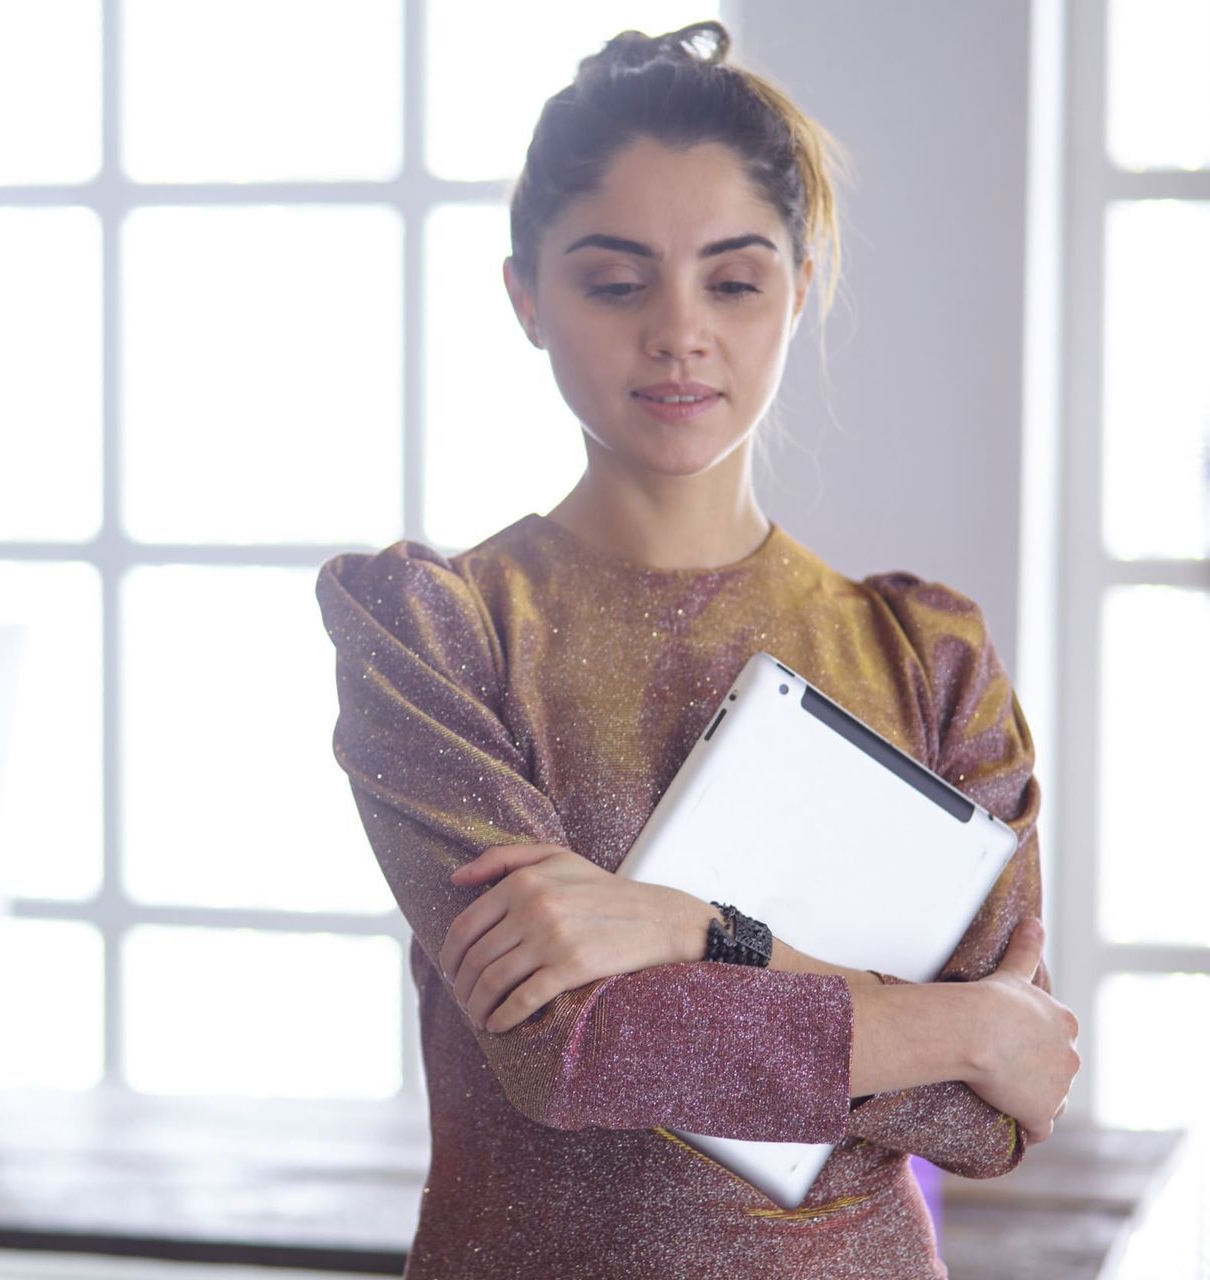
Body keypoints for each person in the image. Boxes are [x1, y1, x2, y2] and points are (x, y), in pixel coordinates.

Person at [314, 20, 1079, 1279]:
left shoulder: (925, 654)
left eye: (733, 282)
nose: (679, 331)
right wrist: (955, 1028)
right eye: (617, 283)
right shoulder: (436, 633)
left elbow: (995, 1108)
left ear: (803, 285)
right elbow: (572, 1048)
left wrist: (694, 931)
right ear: (525, 296)